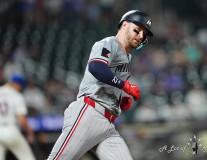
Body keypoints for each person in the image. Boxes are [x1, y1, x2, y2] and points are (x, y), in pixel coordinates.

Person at [48, 10, 153, 160]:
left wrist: (120, 99)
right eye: (137, 30)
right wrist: (125, 86)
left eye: (144, 33)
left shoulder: (127, 57)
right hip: (90, 113)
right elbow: (96, 67)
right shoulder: (109, 43)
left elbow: (108, 82)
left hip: (107, 124)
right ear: (124, 25)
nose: (141, 36)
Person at [0, 74, 36, 160]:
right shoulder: (16, 95)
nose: (21, 88)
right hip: (10, 129)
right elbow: (22, 120)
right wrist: (30, 134)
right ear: (17, 84)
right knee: (27, 157)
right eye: (21, 86)